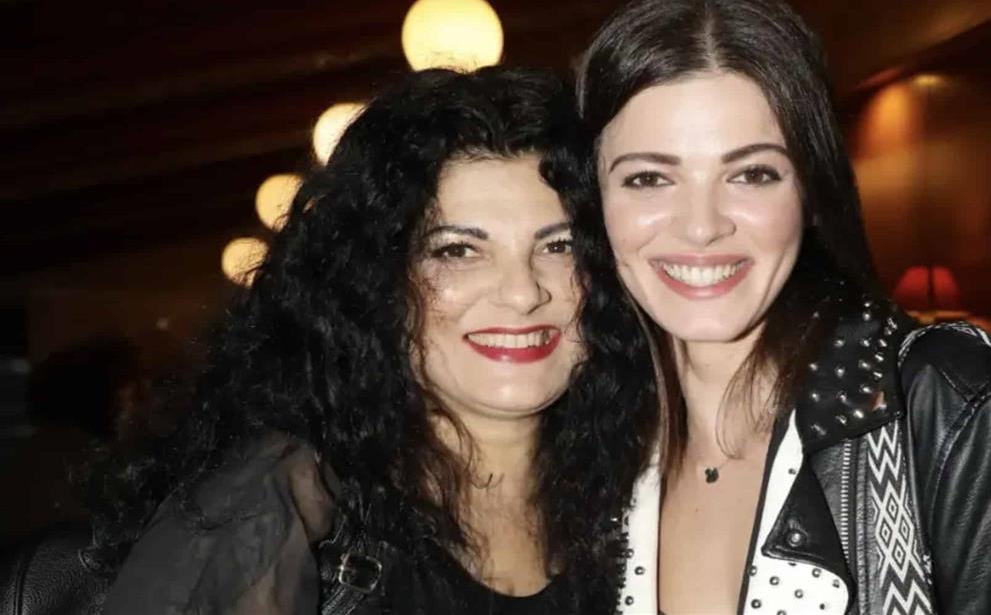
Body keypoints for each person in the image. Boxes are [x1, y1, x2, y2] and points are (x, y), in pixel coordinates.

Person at [577, 0, 991, 614]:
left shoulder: (943, 402)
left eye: (752, 174)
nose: (701, 226)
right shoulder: (592, 443)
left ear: (810, 192)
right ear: (595, 202)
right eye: (648, 178)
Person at [83, 67, 657, 615]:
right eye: (457, 250)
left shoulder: (645, 488)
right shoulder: (280, 504)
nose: (522, 292)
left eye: (559, 246)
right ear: (374, 281)